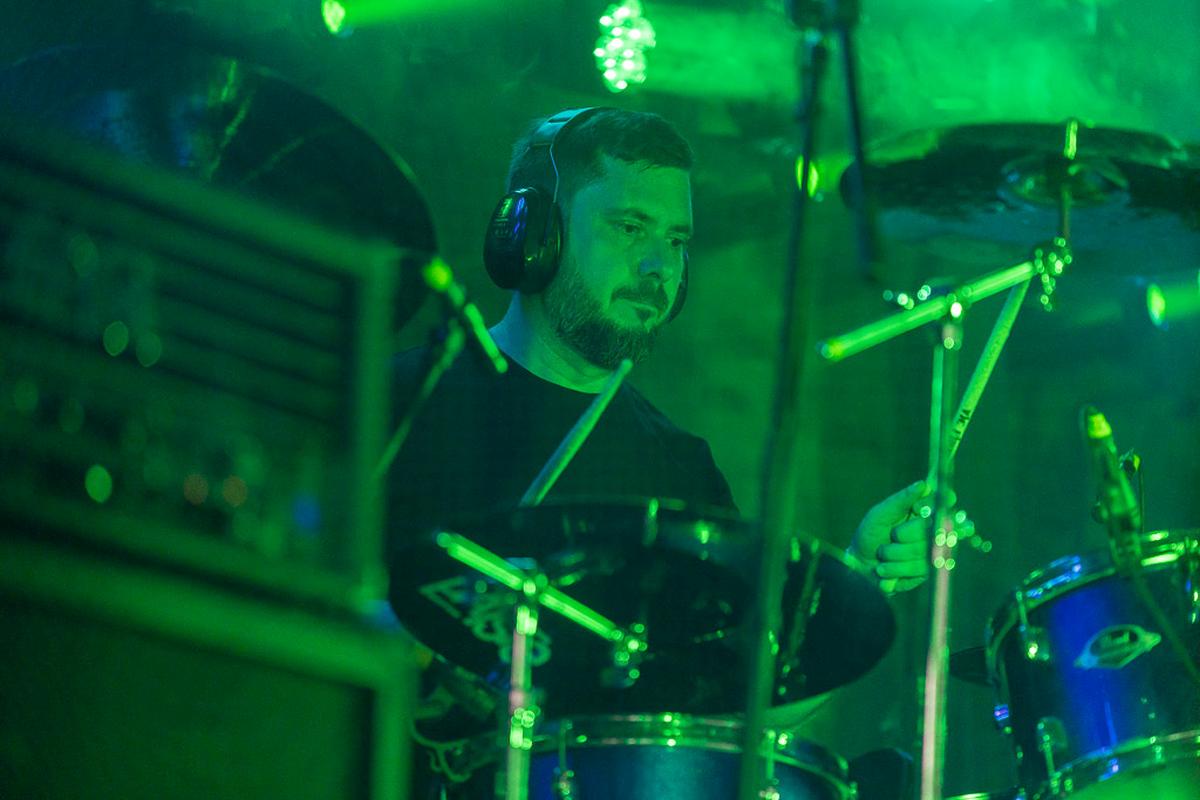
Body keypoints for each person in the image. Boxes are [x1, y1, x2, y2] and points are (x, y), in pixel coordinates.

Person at [387, 106, 929, 592]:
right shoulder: (391, 404)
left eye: (675, 241)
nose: (660, 268)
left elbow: (734, 673)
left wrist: (859, 576)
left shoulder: (683, 476)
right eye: (629, 227)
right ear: (533, 236)